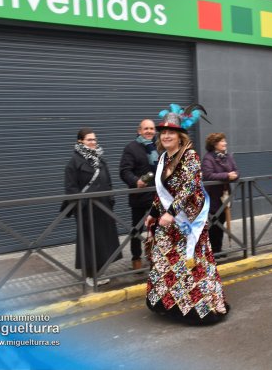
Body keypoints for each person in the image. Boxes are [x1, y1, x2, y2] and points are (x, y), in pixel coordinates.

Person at [145, 106, 229, 324]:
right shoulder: (163, 158)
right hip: (168, 221)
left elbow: (189, 186)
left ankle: (197, 307)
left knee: (190, 263)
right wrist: (153, 213)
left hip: (189, 221)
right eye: (163, 132)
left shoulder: (190, 156)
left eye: (171, 132)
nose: (166, 136)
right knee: (165, 261)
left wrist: (172, 212)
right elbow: (162, 189)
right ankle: (168, 304)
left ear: (180, 136)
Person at [64, 128, 122, 287]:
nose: (93, 142)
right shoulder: (74, 162)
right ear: (80, 141)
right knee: (89, 242)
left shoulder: (100, 159)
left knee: (103, 240)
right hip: (87, 210)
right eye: (89, 140)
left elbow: (108, 182)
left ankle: (100, 271)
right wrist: (81, 206)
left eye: (94, 139)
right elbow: (71, 188)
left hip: (103, 207)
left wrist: (110, 200)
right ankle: (89, 275)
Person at [119, 119, 158, 270]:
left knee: (155, 229)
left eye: (151, 129)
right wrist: (136, 181)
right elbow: (124, 171)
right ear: (139, 131)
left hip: (156, 196)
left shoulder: (158, 147)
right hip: (139, 197)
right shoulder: (131, 148)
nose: (149, 131)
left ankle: (154, 257)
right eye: (146, 129)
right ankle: (136, 258)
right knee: (137, 229)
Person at [202, 132, 239, 255]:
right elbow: (208, 175)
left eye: (225, 140)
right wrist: (227, 175)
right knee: (214, 223)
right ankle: (212, 251)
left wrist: (235, 175)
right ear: (214, 144)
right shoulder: (208, 158)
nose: (225, 143)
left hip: (225, 195)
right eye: (222, 141)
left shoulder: (227, 156)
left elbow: (236, 170)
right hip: (213, 195)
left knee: (221, 220)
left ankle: (218, 248)